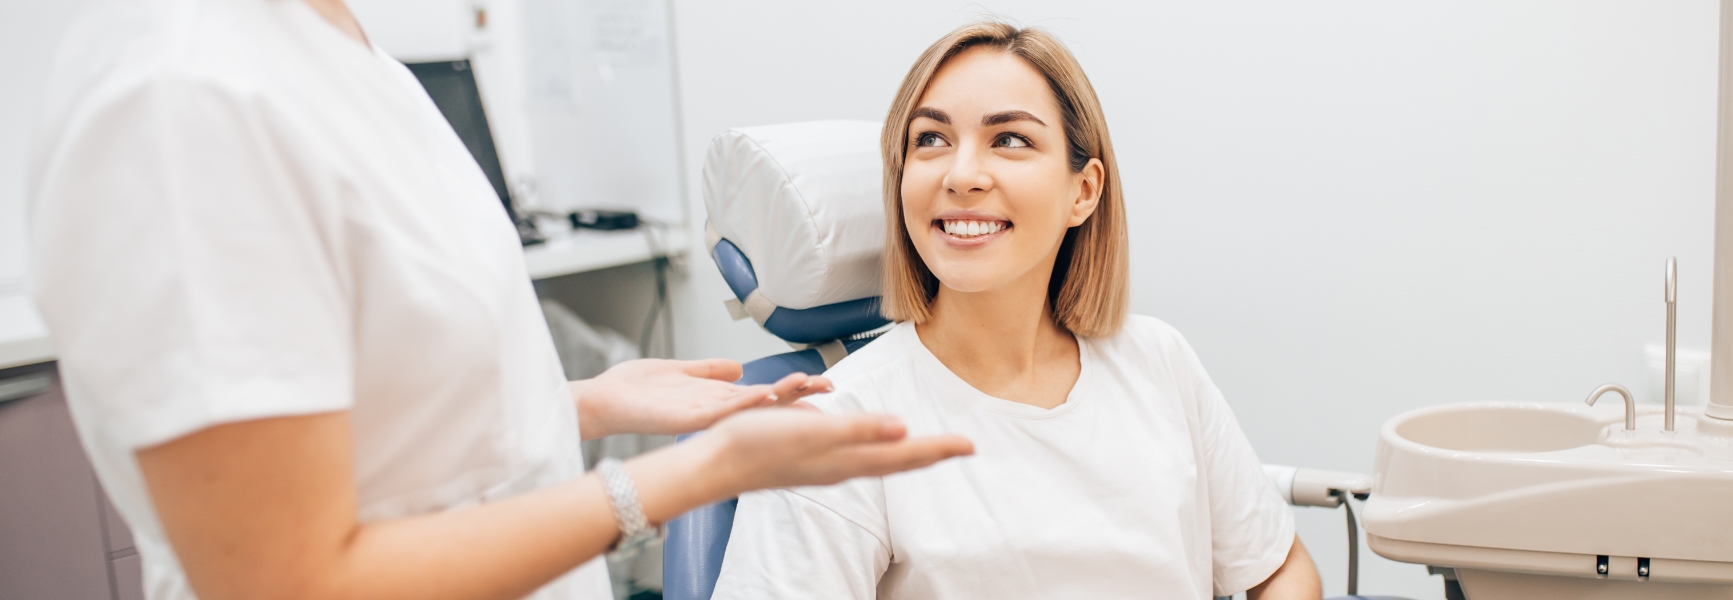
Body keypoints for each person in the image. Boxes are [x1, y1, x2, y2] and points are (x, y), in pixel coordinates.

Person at [25, 1, 972, 599]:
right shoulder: (188, 92)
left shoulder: (343, 49)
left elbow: (375, 423)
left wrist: (582, 402)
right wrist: (688, 476)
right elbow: (286, 579)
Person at [712, 21, 1322, 600]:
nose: (962, 173)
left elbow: (1279, 567)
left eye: (1010, 139)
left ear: (1083, 191)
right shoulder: (832, 429)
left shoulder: (1157, 361)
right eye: (931, 139)